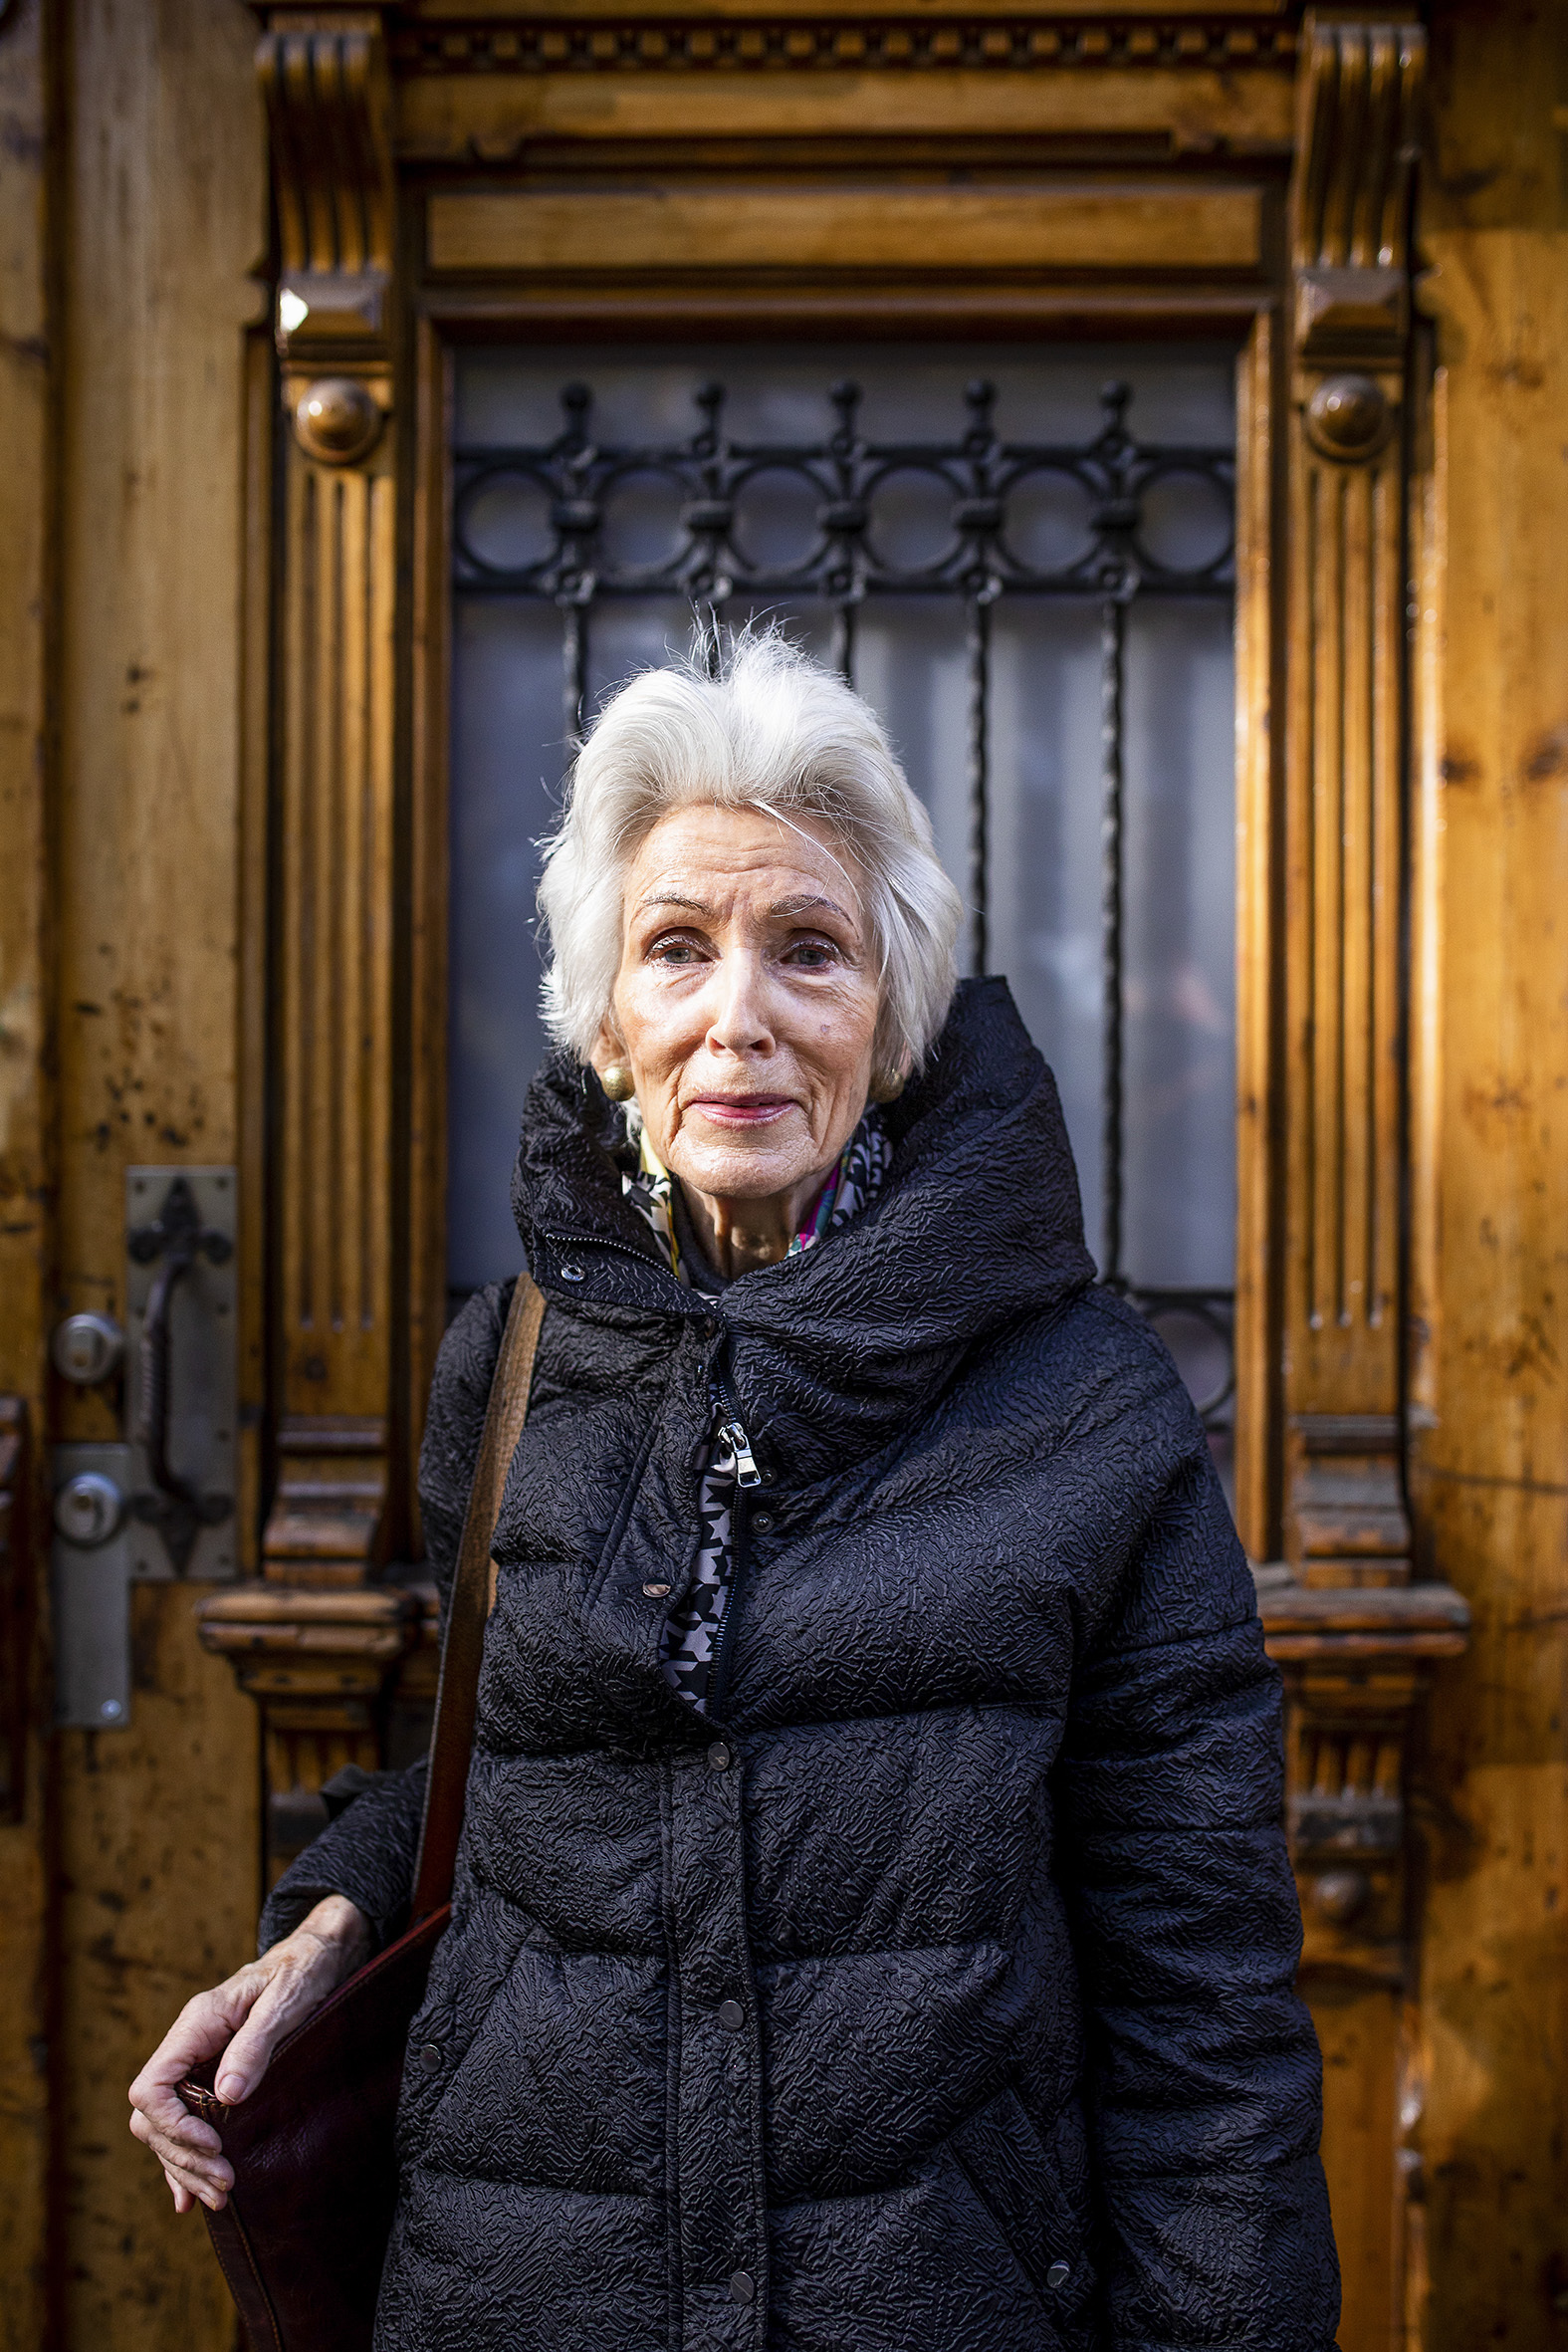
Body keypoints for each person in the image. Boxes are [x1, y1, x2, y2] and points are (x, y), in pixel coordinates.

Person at [130, 632, 1340, 2351]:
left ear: (891, 1015)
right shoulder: (515, 1363)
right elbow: (499, 1778)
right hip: (516, 2291)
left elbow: (1203, 2004)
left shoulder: (1086, 1406)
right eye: (678, 948)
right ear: (609, 1022)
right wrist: (326, 1924)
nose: (740, 1016)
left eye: (810, 949)